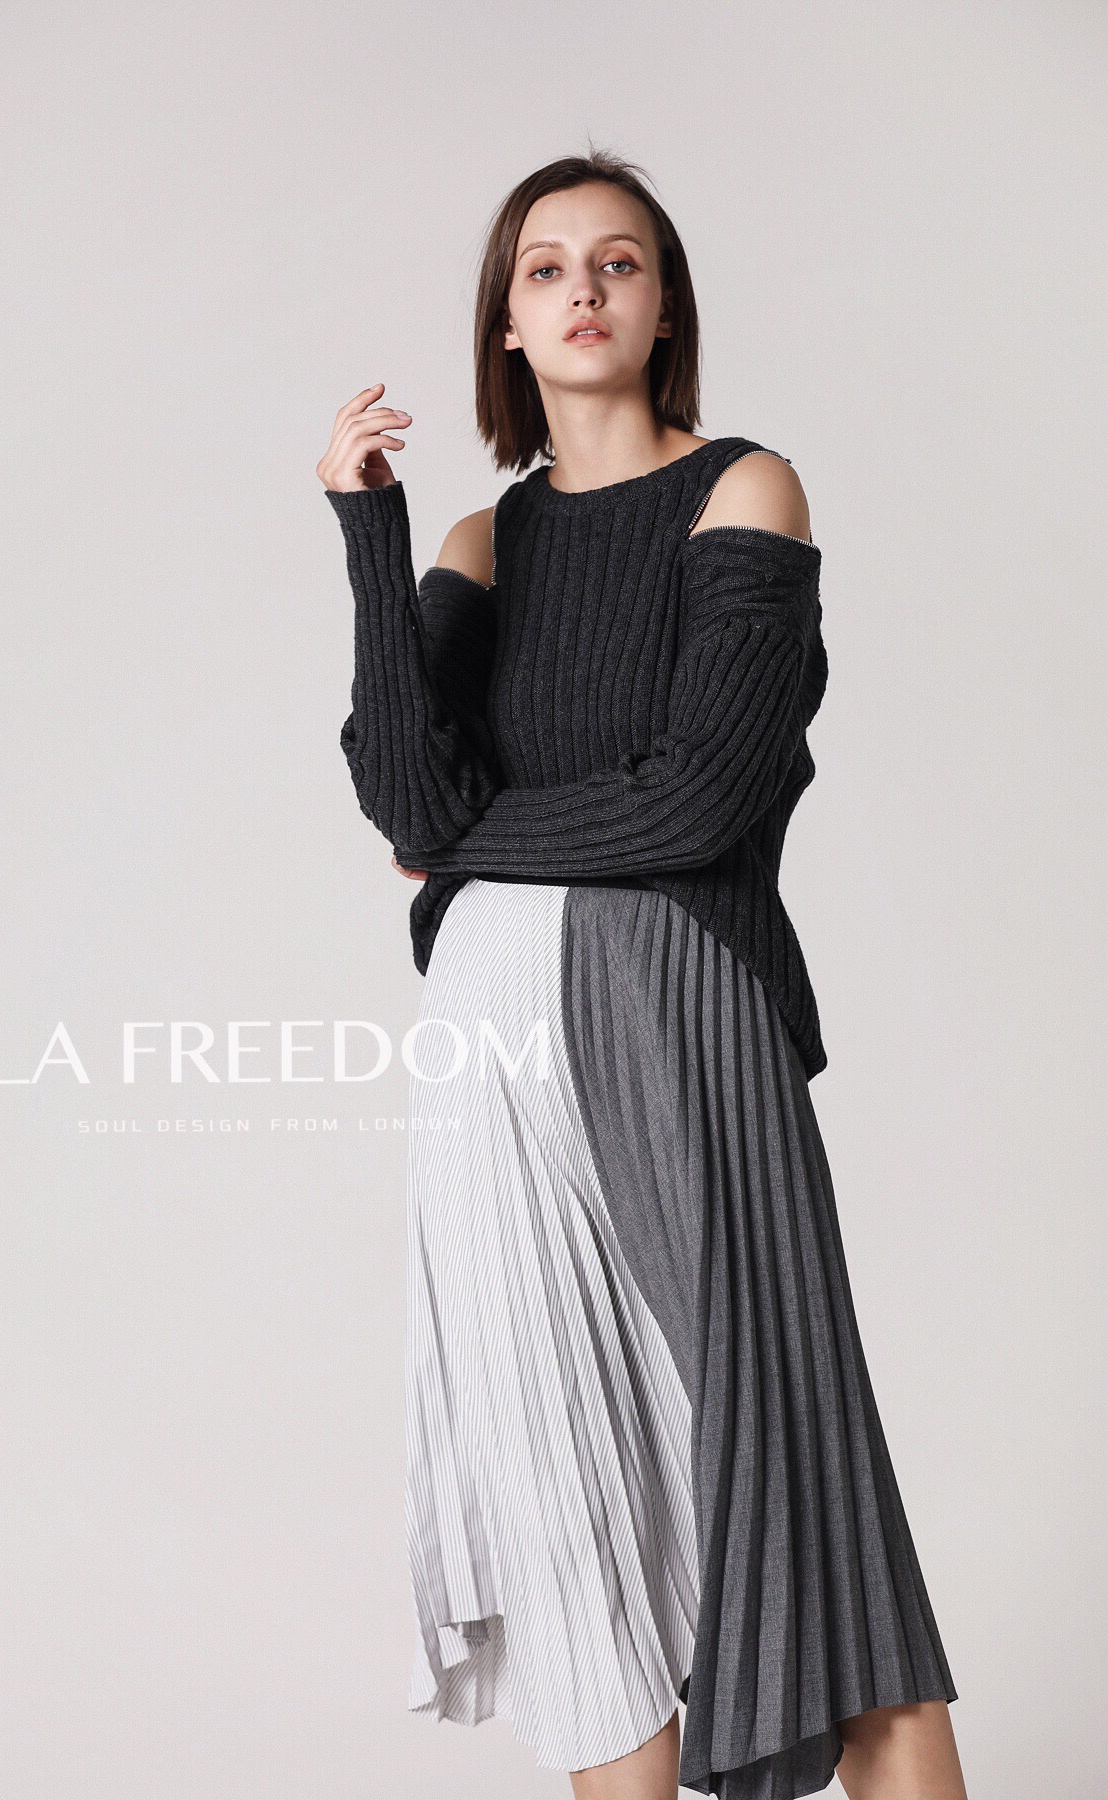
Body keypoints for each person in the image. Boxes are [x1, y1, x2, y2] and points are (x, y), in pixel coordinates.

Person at [317, 147, 967, 1800]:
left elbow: (700, 799)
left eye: (618, 261)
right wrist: (369, 532)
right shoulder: (479, 537)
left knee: (794, 1477)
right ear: (508, 321)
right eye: (545, 268)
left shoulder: (746, 491)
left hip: (682, 1013)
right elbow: (402, 791)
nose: (583, 289)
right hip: (485, 1050)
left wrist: (473, 846)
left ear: (664, 304)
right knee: (568, 1515)